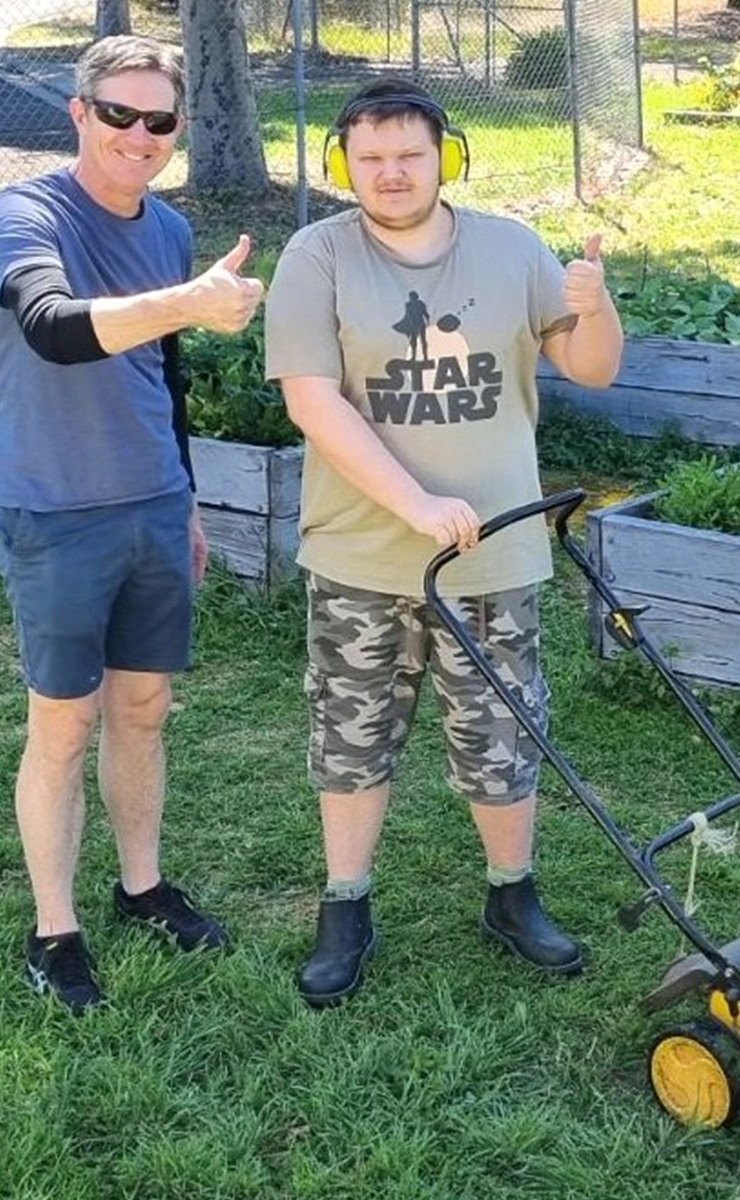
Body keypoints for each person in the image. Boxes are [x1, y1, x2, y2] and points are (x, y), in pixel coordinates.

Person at [263, 77, 623, 1008]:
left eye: (409, 156)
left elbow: (591, 368)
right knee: (352, 736)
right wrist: (414, 502)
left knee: (502, 733)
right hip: (360, 553)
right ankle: (345, 907)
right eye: (370, 158)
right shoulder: (317, 256)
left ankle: (512, 895)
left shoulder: (511, 248)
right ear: (344, 164)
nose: (391, 174)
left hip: (493, 550)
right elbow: (311, 400)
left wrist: (595, 304)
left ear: (445, 158)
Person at [0, 34, 264, 1013]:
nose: (139, 136)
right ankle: (53, 932)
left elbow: (165, 378)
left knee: (143, 708)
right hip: (56, 510)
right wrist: (188, 302)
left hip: (151, 502)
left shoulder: (169, 229)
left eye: (160, 120)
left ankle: (141, 887)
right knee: (63, 723)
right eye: (119, 115)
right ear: (79, 113)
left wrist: (183, 497)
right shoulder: (26, 211)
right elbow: (52, 327)